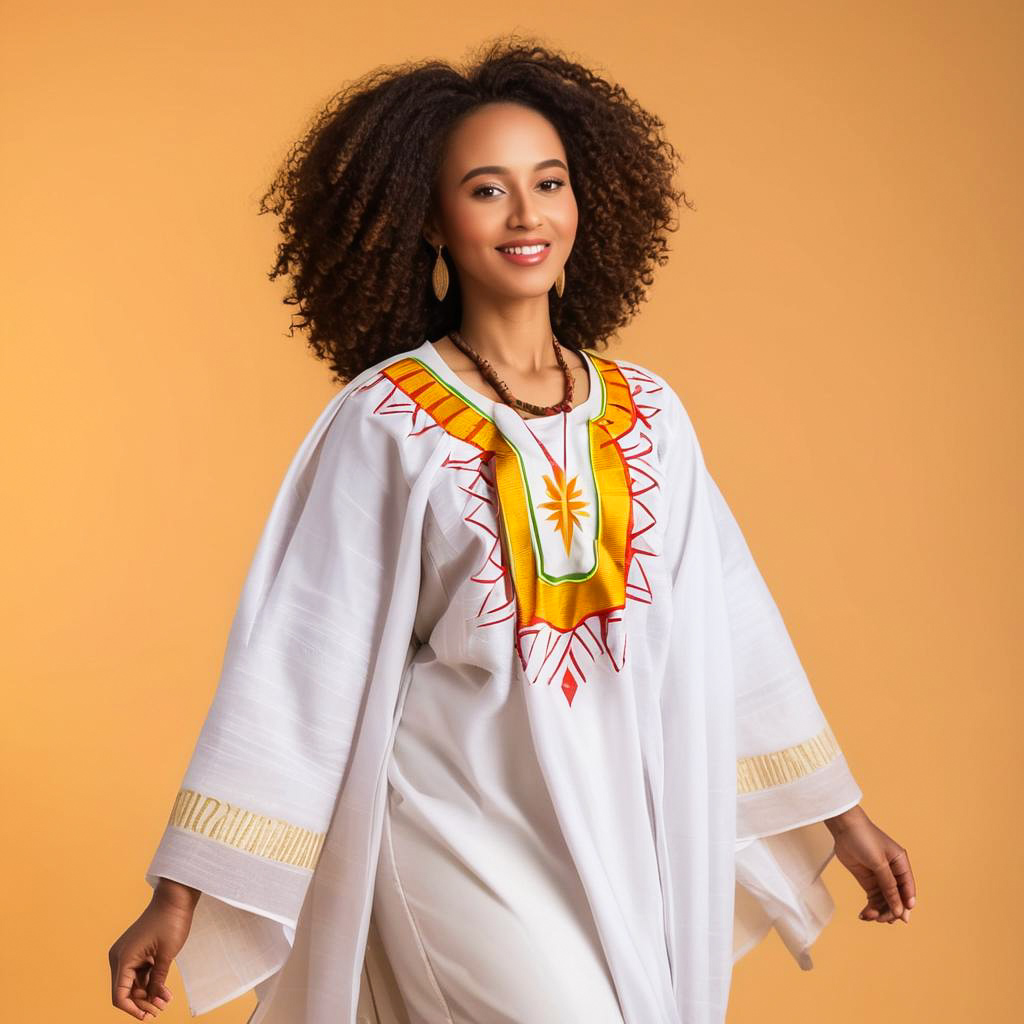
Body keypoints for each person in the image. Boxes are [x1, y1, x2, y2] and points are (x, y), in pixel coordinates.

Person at [107, 36, 916, 1024]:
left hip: (620, 825)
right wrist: (179, 892)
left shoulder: (651, 413)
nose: (528, 214)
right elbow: (298, 656)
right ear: (431, 223)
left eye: (549, 182)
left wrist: (842, 817)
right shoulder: (390, 417)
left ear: (586, 201)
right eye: (486, 190)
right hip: (449, 824)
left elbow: (730, 624)